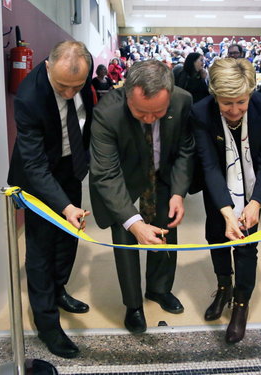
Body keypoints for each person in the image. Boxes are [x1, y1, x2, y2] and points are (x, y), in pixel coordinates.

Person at [89, 60, 194, 334]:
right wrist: (134, 222)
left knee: (165, 229)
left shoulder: (183, 101)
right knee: (127, 237)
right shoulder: (106, 113)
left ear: (169, 96)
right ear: (127, 95)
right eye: (140, 112)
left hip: (162, 176)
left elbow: (185, 149)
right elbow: (106, 174)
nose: (149, 119)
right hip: (122, 181)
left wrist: (179, 193)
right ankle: (133, 305)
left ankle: (159, 289)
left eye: (157, 112)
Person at [7, 40, 94, 358]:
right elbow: (34, 165)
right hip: (38, 177)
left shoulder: (84, 70)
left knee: (69, 237)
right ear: (47, 66)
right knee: (41, 250)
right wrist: (64, 206)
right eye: (62, 86)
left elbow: (85, 120)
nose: (70, 93)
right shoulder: (29, 97)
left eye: (77, 86)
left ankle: (60, 290)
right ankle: (47, 325)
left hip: (71, 167)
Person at [190, 58, 261, 344]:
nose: (235, 110)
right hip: (218, 186)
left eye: (241, 102)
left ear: (251, 93)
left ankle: (240, 304)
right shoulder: (201, 112)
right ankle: (223, 287)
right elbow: (209, 166)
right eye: (226, 103)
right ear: (214, 95)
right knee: (216, 235)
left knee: (246, 243)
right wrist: (227, 212)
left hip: (252, 187)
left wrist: (256, 203)